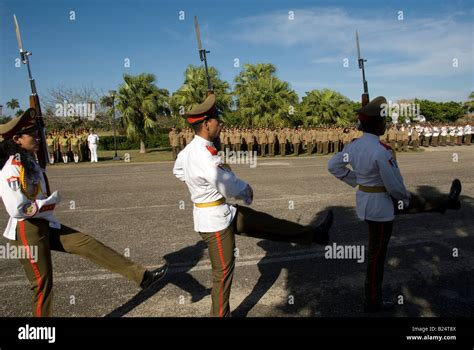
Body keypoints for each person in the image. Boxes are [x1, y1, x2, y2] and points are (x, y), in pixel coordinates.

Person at [173, 94, 333, 317]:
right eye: (217, 120)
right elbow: (227, 185)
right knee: (222, 273)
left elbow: (178, 171)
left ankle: (314, 234)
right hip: (213, 221)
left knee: (267, 224)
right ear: (207, 124)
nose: (221, 124)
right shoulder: (202, 154)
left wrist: (198, 184)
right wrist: (245, 190)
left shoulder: (189, 151)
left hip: (221, 211)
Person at [0, 109, 167, 317]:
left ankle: (142, 277)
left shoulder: (30, 162)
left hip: (45, 224)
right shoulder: (12, 168)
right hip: (28, 230)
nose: (37, 136)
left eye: (37, 131)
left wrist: (46, 206)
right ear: (16, 139)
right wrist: (48, 203)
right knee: (42, 284)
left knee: (87, 244)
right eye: (31, 133)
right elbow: (17, 208)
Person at [328, 97, 462, 313]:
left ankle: (448, 202)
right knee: (376, 256)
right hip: (381, 206)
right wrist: (403, 198)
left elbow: (333, 165)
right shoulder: (381, 151)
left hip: (368, 201)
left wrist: (357, 181)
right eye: (383, 121)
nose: (386, 125)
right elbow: (395, 187)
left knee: (416, 204)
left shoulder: (353, 147)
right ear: (377, 125)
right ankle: (372, 302)